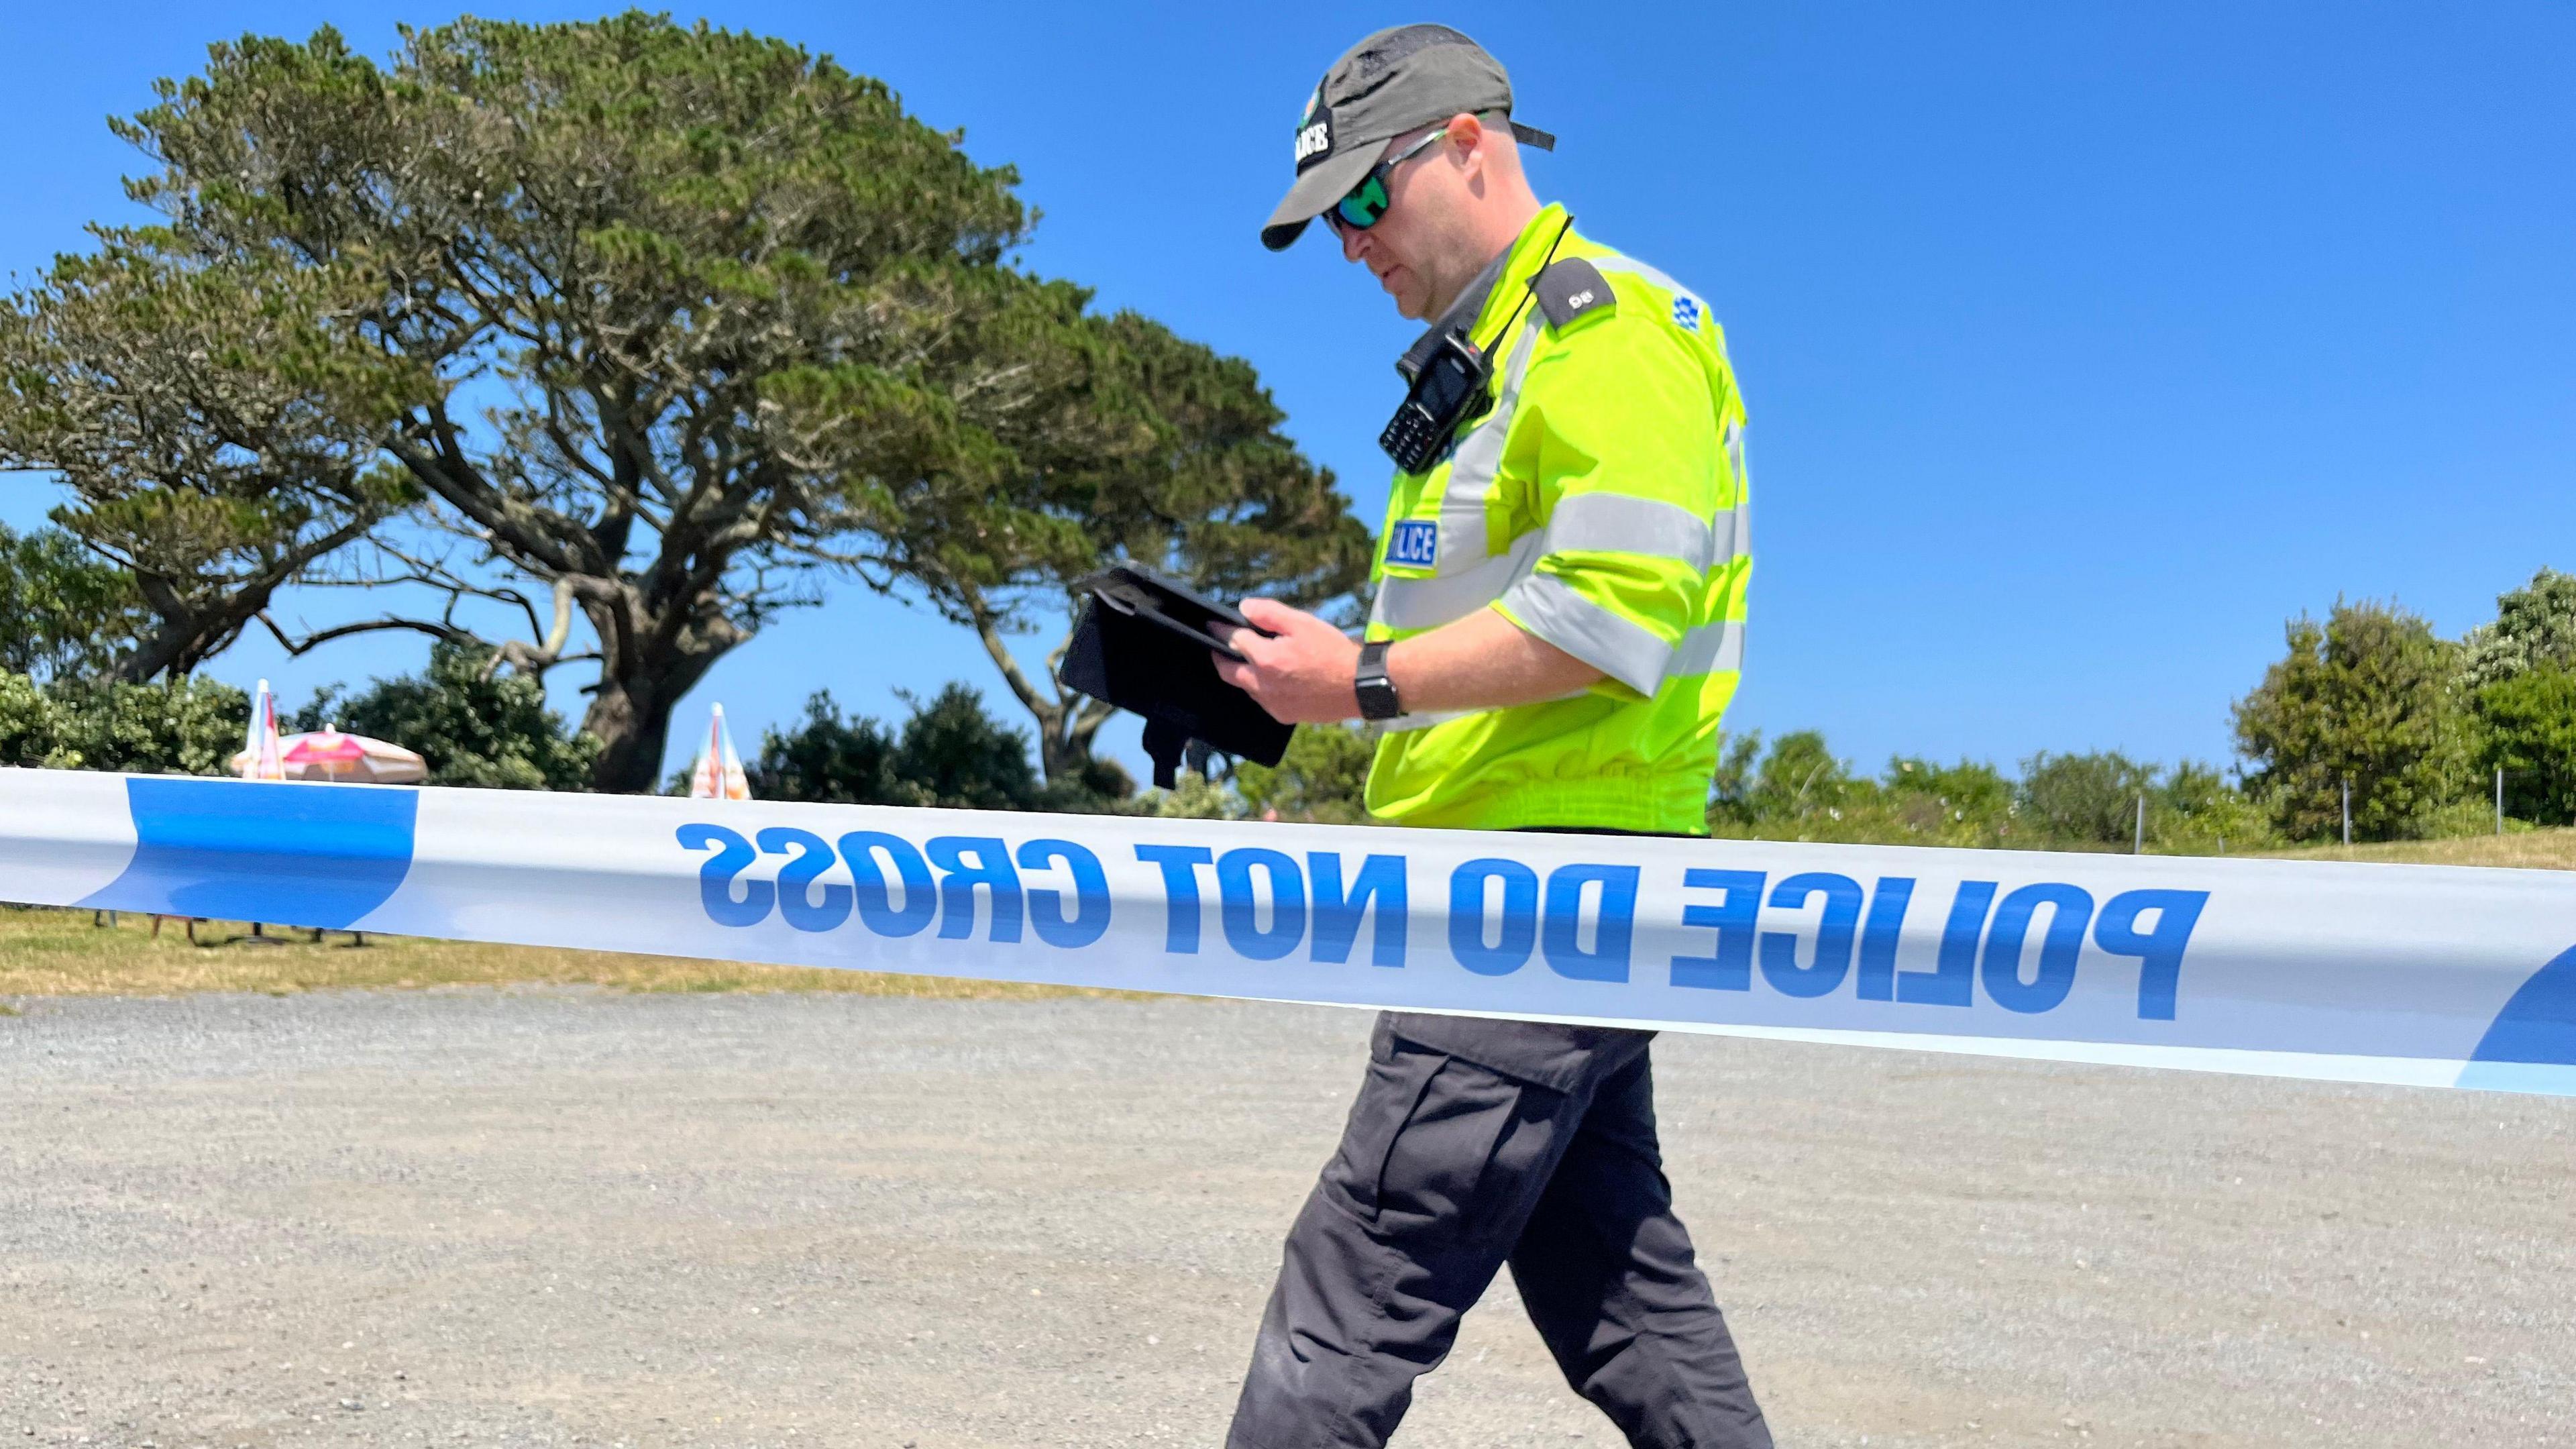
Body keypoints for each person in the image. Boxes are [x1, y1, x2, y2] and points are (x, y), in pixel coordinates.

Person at [1210, 23, 1770, 1449]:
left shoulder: (1607, 331)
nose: (1349, 248)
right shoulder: (1498, 358)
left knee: (1350, 1293)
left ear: (1465, 145)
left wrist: (1360, 683)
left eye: (1356, 203)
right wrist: (1306, 680)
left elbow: (1610, 621)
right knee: (1621, 1293)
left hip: (1533, 893)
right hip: (1537, 888)